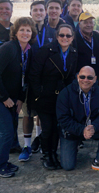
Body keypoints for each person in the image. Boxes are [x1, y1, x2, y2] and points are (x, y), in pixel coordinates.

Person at [0, 17, 36, 178]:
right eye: (22, 30)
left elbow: (23, 78)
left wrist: (19, 99)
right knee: (6, 131)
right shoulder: (8, 48)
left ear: (32, 33)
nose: (25, 33)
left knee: (4, 129)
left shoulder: (27, 51)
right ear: (16, 32)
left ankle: (0, 160)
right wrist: (5, 98)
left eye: (28, 30)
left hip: (9, 96)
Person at [29, 24, 78, 170]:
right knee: (47, 128)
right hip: (45, 96)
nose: (65, 38)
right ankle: (46, 154)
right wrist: (39, 93)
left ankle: (53, 153)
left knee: (57, 128)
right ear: (57, 37)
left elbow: (70, 77)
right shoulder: (45, 51)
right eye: (62, 35)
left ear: (72, 38)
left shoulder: (73, 52)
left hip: (61, 97)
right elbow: (34, 73)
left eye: (68, 36)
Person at [56, 66, 99, 173]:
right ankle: (74, 145)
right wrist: (82, 129)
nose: (86, 80)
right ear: (78, 77)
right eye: (82, 77)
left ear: (95, 79)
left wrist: (94, 127)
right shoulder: (66, 93)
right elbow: (63, 119)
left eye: (89, 77)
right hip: (72, 131)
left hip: (92, 128)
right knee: (67, 166)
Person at [19, 0, 55, 161]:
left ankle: (39, 140)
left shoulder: (52, 32)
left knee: (42, 112)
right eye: (35, 10)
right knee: (28, 114)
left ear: (45, 12)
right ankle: (27, 145)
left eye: (41, 10)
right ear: (31, 13)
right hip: (27, 80)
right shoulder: (26, 32)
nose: (39, 13)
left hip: (45, 81)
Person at [73, 12, 99, 86]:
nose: (89, 25)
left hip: (96, 76)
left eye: (91, 22)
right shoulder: (74, 37)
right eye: (85, 22)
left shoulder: (97, 36)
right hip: (81, 78)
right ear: (79, 24)